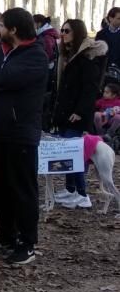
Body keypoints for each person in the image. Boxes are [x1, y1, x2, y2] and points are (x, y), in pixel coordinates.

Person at [0, 8, 49, 265]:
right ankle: (5, 235)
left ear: (14, 30)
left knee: (22, 188)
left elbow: (0, 77)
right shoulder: (1, 52)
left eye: (0, 25)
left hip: (21, 133)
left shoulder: (35, 56)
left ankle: (27, 242)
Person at [51, 19, 108, 209]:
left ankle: (83, 194)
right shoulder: (66, 56)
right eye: (62, 30)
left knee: (74, 154)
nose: (62, 33)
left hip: (76, 114)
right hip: (64, 112)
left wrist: (80, 112)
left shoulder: (86, 59)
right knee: (66, 153)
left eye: (67, 30)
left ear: (77, 33)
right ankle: (71, 189)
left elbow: (90, 89)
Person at [95, 7, 120, 76]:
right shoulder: (101, 34)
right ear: (110, 18)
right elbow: (97, 53)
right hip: (104, 70)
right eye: (118, 18)